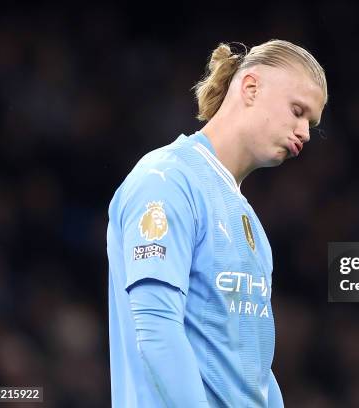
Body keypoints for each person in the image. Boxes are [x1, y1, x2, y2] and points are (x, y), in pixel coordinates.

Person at [106, 39, 327, 407]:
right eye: (298, 110)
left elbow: (255, 368)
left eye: (311, 122)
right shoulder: (165, 180)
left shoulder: (249, 222)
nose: (304, 132)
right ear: (251, 87)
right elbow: (156, 329)